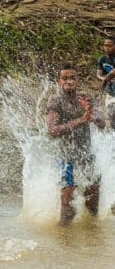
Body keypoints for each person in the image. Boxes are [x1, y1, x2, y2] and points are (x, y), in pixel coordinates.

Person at [47, 64, 105, 224]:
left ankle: (93, 231)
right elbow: (52, 131)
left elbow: (102, 123)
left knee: (93, 194)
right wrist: (81, 120)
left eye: (73, 78)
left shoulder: (85, 97)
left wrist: (95, 117)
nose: (69, 81)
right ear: (59, 81)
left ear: (78, 80)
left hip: (86, 154)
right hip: (66, 156)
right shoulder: (56, 101)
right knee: (68, 199)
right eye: (65, 78)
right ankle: (63, 237)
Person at [96, 36, 115, 128]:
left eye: (109, 46)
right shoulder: (102, 59)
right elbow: (98, 75)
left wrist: (107, 78)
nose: (106, 48)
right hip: (110, 92)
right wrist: (106, 79)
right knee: (112, 115)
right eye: (105, 45)